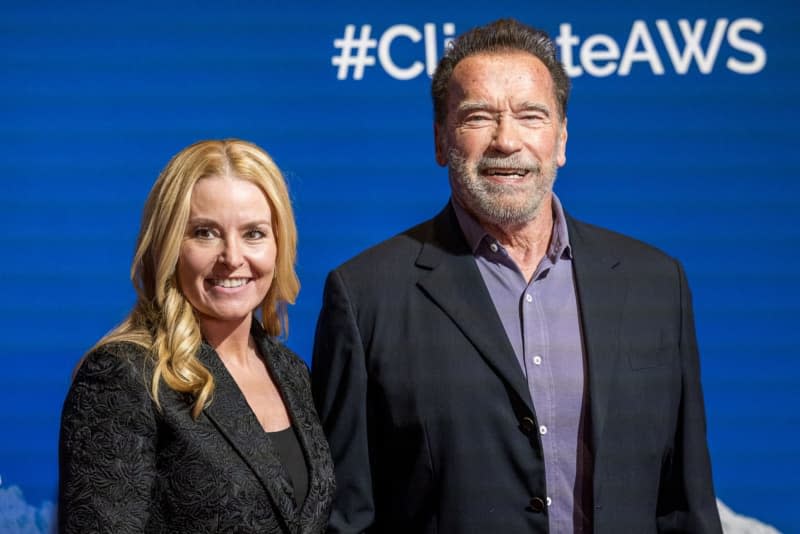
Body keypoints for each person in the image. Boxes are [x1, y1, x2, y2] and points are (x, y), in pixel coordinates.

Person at [311, 19, 722, 533]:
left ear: (562, 139)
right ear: (441, 140)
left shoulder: (656, 284)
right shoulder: (364, 295)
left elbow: (685, 505)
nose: (507, 141)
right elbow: (348, 517)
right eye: (478, 116)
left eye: (531, 116)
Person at [59, 139, 335, 533]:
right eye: (205, 233)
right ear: (168, 245)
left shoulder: (291, 373)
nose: (232, 257)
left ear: (279, 244)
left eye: (254, 233)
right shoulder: (124, 375)